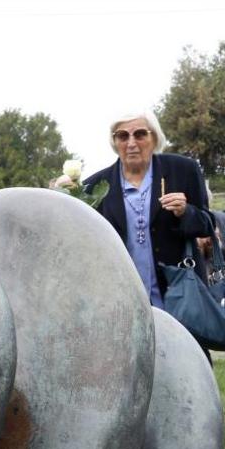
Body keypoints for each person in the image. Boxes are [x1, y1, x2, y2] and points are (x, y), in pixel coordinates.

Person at [82, 111, 213, 310]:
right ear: (115, 142)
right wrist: (63, 193)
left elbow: (207, 224)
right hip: (121, 300)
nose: (131, 143)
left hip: (180, 296)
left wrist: (185, 212)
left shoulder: (183, 170)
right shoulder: (95, 185)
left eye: (140, 134)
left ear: (155, 138)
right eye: (122, 136)